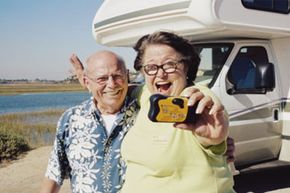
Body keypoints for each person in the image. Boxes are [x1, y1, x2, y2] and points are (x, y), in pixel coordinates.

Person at [39, 50, 223, 193]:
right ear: (87, 82)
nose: (112, 84)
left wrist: (220, 143)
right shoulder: (70, 119)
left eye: (118, 76)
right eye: (102, 78)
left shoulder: (147, 112)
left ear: (127, 76)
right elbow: (55, 172)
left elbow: (196, 133)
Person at [120, 31, 235, 193]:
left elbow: (213, 120)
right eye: (151, 67)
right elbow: (120, 89)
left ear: (186, 66)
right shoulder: (147, 95)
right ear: (143, 71)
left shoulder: (196, 99)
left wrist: (215, 139)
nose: (160, 73)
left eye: (170, 65)